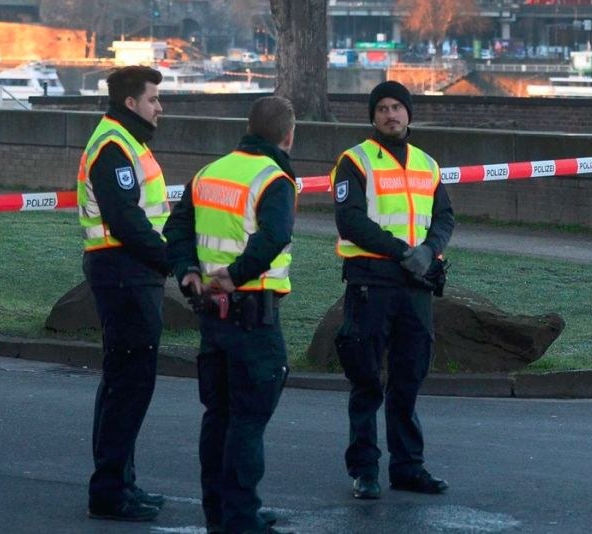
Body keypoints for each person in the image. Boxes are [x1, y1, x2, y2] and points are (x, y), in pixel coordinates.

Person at [163, 95, 297, 534]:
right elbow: (274, 236)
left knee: (217, 416)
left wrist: (187, 273)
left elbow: (177, 228)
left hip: (213, 319)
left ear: (248, 128)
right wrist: (234, 276)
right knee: (248, 420)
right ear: (287, 136)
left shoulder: (208, 172)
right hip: (253, 315)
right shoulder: (274, 179)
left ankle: (218, 514)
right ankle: (241, 518)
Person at [330, 80, 455, 500]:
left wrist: (431, 250)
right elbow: (350, 221)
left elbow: (444, 218)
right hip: (371, 283)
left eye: (397, 107)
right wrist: (405, 252)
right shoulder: (355, 161)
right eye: (382, 108)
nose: (390, 115)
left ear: (409, 114)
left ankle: (407, 467)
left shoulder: (427, 163)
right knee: (366, 382)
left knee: (408, 379)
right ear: (373, 116)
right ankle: (365, 470)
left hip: (415, 287)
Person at [77, 66, 170, 522]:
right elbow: (126, 219)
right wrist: (169, 259)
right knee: (127, 385)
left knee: (124, 383)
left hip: (129, 271)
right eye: (153, 99)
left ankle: (120, 483)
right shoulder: (114, 146)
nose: (160, 107)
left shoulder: (126, 141)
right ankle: (111, 491)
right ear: (131, 103)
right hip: (123, 271)